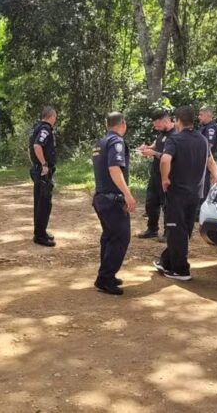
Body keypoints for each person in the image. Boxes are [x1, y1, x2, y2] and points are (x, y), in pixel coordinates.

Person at [156, 106, 217, 281]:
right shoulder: (202, 140)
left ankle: (181, 270)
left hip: (177, 192)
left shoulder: (175, 140)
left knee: (175, 229)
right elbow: (211, 161)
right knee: (183, 229)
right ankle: (167, 261)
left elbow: (165, 159)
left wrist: (164, 179)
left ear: (178, 121)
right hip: (196, 193)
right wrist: (216, 176)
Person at [92, 112, 137, 295]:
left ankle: (106, 274)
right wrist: (128, 195)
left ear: (106, 124)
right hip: (112, 199)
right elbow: (113, 168)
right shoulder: (116, 142)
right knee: (121, 238)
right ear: (123, 124)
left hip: (101, 197)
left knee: (109, 237)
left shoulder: (99, 143)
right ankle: (105, 278)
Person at [137, 111, 175, 241]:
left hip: (167, 175)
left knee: (167, 205)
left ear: (166, 121)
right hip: (155, 174)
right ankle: (152, 229)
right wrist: (147, 148)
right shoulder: (162, 133)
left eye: (158, 126)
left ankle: (168, 232)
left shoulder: (175, 135)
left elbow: (168, 156)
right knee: (151, 202)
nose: (156, 128)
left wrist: (153, 153)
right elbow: (157, 144)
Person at [29, 107, 57, 247]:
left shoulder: (37, 127)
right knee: (44, 204)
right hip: (43, 171)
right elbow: (37, 146)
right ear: (50, 116)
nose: (55, 120)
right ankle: (40, 236)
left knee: (40, 202)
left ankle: (40, 232)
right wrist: (44, 164)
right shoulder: (45, 129)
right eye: (55, 117)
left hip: (38, 170)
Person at [198, 106, 217, 203]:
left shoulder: (211, 128)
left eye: (201, 115)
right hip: (199, 160)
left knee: (204, 184)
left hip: (205, 160)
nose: (199, 117)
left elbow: (208, 145)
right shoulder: (203, 128)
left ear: (208, 115)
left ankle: (201, 206)